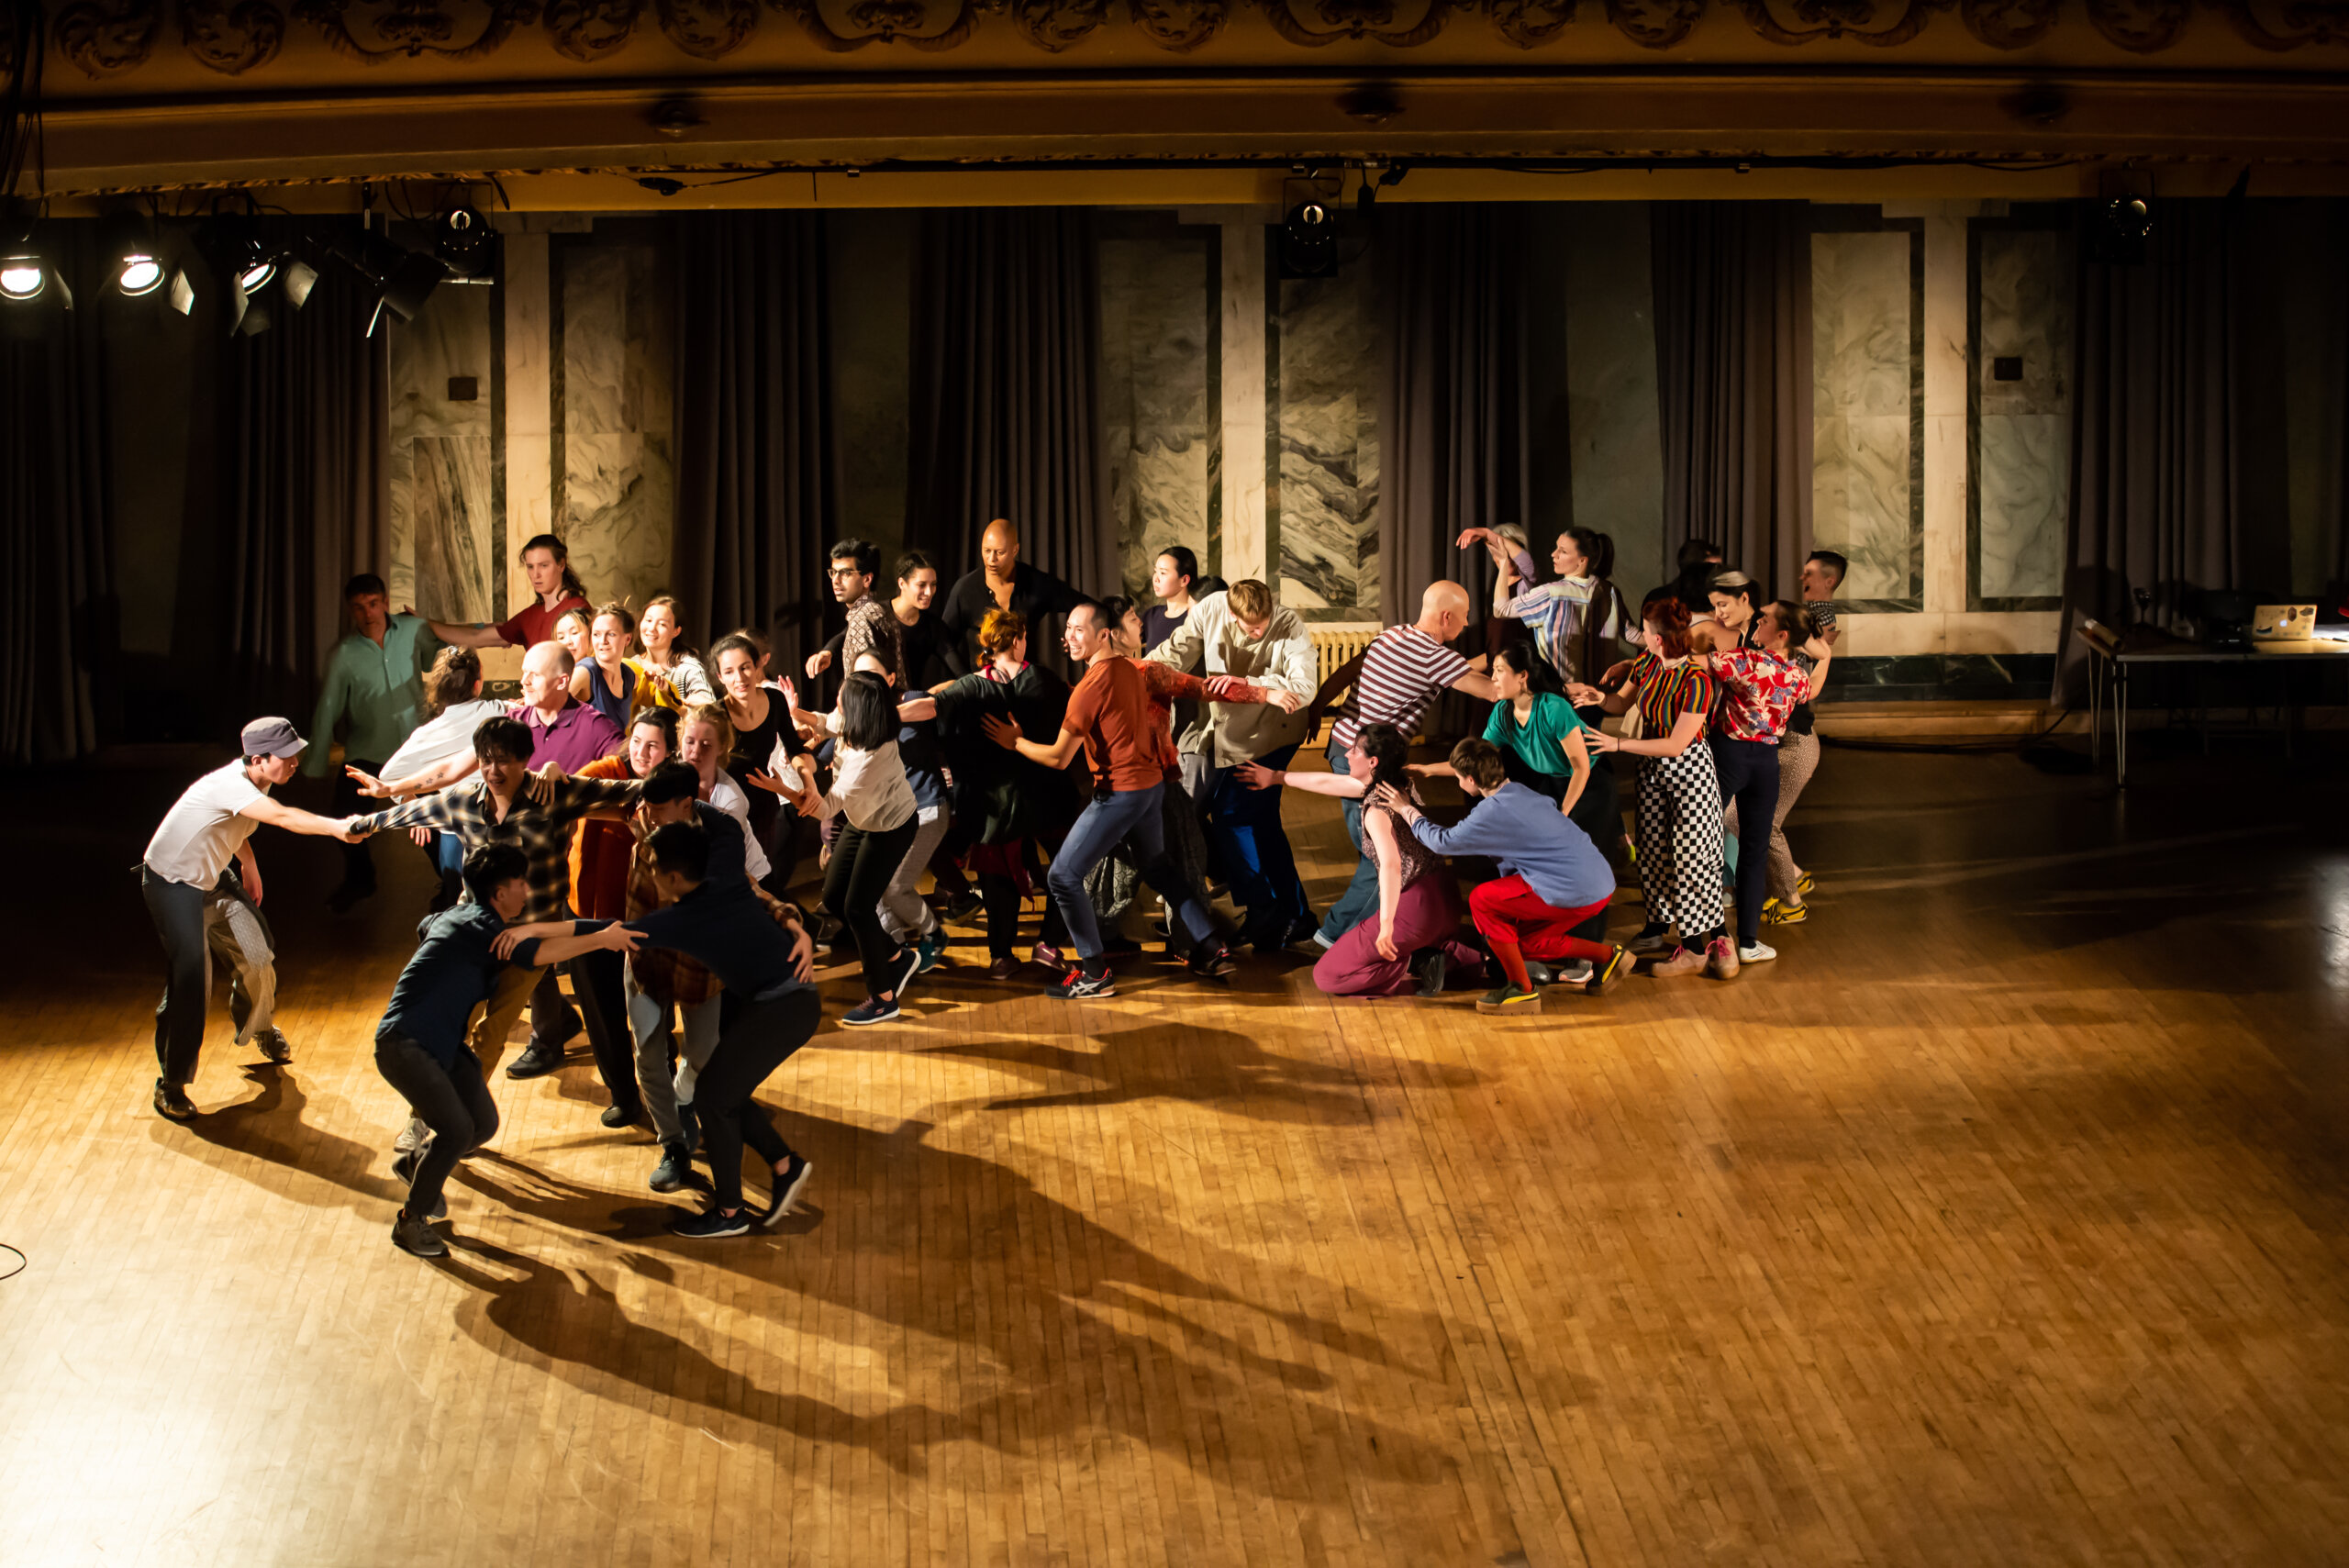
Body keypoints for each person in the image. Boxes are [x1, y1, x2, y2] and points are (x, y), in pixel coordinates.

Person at [501, 821, 821, 1239]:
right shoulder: (722, 869)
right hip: (782, 1001)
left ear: (673, 877)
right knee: (723, 1092)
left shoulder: (683, 918)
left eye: (653, 869)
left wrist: (531, 929)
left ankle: (730, 1214)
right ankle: (784, 1166)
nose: (648, 876)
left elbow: (601, 933)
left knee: (713, 1099)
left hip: (785, 1008)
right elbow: (724, 826)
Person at [344, 715, 646, 1096]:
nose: (493, 770)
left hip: (533, 937)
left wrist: (693, 782)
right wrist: (364, 825)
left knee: (491, 1033)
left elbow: (630, 790)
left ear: (524, 759)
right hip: (477, 932)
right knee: (454, 1023)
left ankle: (462, 1112)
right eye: (486, 760)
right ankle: (430, 1114)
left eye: (503, 760)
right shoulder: (464, 801)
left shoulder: (554, 795)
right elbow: (412, 812)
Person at [982, 600, 1236, 997]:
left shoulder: (1088, 688)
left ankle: (1095, 973)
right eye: (1068, 629)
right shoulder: (1128, 669)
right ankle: (1209, 941)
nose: (1070, 637)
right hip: (1151, 787)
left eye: (1080, 630)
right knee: (1157, 868)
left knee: (1062, 877)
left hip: (1121, 793)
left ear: (1103, 634)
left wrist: (1015, 742)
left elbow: (1058, 756)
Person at [142, 718, 362, 1119]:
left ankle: (259, 1025)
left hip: (213, 881)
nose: (296, 761)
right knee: (192, 976)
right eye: (287, 756)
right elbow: (282, 818)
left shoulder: (258, 782)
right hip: (173, 885)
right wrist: (337, 828)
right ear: (258, 759)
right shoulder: (229, 784)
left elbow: (234, 824)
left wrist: (249, 863)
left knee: (258, 955)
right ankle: (170, 1084)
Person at [617, 762, 788, 1194]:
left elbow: (746, 888)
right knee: (648, 1056)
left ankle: (682, 1098)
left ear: (687, 805)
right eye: (646, 807)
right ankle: (674, 1144)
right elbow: (584, 796)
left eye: (658, 808)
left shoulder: (718, 838)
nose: (648, 815)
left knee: (704, 1052)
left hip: (698, 966)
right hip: (646, 958)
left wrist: (787, 916)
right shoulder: (644, 818)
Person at [373, 844, 552, 1258]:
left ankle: (416, 1163)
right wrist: (604, 937)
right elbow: (542, 951)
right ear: (499, 892)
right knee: (455, 1131)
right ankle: (410, 1222)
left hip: (443, 1045)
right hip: (405, 1043)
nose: (527, 890)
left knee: (482, 1126)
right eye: (521, 883)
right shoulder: (479, 927)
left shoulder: (469, 920)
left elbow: (426, 924)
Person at [1374, 739, 1634, 1014]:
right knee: (1522, 944)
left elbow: (1442, 842)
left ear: (1471, 779)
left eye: (1459, 775)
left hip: (1573, 888)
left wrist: (1406, 809)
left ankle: (1521, 989)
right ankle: (1608, 957)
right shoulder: (1522, 792)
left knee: (1483, 900)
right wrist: (1428, 770)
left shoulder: (1492, 812)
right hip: (1599, 882)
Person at [1313, 581, 1503, 948]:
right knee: (1385, 856)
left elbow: (1351, 670)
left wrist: (1318, 706)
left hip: (1342, 746)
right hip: (1366, 762)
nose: (1465, 626)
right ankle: (1335, 935)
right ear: (1446, 617)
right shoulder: (1435, 657)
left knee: (1377, 849)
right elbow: (1493, 690)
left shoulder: (1394, 636)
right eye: (1463, 619)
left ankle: (1371, 925)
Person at [1143, 579, 1319, 951]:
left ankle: (1265, 912)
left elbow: (1303, 689)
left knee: (1233, 816)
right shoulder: (1210, 609)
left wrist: (1249, 684)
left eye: (1264, 622)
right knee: (1261, 824)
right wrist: (1136, 670)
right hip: (1234, 734)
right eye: (1251, 626)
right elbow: (1178, 649)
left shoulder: (1289, 625)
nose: (1259, 631)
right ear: (1231, 612)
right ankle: (1292, 914)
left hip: (1273, 735)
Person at [917, 608, 1078, 977]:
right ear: (1020, 638)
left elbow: (929, 711)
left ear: (988, 644)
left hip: (993, 801)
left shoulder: (968, 687)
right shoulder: (1043, 681)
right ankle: (1049, 944)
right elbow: (1075, 712)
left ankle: (1001, 957)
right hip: (1044, 791)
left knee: (997, 872)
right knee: (1071, 865)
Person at [1580, 600, 1732, 981]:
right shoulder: (1648, 663)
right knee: (1651, 851)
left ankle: (1696, 947)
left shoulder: (1696, 681)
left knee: (1689, 857)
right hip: (1651, 769)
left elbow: (1676, 745)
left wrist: (1617, 745)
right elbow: (1621, 702)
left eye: (1646, 631)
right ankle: (1659, 926)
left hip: (1689, 772)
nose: (1641, 636)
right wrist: (1598, 698)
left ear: (1660, 638)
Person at [562, 706, 685, 1130]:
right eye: (636, 741)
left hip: (644, 919)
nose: (641, 752)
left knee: (653, 1010)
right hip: (587, 914)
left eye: (653, 746)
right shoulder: (607, 770)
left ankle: (666, 1091)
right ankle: (623, 1095)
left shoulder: (676, 791)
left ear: (669, 751)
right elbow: (575, 786)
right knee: (600, 1009)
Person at [1303, 725, 1486, 1000]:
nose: (1348, 755)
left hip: (1417, 908)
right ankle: (1448, 956)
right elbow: (1331, 784)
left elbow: (1391, 865)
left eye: (1354, 750)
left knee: (1328, 975)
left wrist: (1386, 925)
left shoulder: (1377, 810)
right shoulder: (1401, 786)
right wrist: (1278, 777)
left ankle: (1418, 961)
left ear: (1373, 762)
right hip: (1446, 899)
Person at [795, 670, 925, 1025]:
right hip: (863, 821)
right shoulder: (861, 719)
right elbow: (828, 722)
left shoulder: (869, 758)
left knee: (858, 908)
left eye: (842, 698)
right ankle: (897, 958)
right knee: (834, 900)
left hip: (890, 828)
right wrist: (797, 712)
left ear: (860, 711)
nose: (836, 702)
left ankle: (884, 999)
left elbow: (825, 808)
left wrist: (806, 773)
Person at [306, 573, 430, 913]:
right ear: (351, 611)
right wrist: (316, 761)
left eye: (373, 603)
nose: (368, 613)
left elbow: (436, 656)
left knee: (434, 819)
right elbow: (327, 708)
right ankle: (361, 879)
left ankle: (451, 885)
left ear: (385, 601)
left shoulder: (410, 630)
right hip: (367, 752)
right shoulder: (343, 654)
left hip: (415, 748)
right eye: (359, 607)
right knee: (344, 819)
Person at [1700, 600, 1812, 967]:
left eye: (1763, 620)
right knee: (1754, 851)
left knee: (1700, 836)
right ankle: (1748, 942)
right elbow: (1805, 688)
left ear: (1780, 634)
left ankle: (1702, 933)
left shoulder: (1744, 660)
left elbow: (1690, 665)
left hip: (1729, 756)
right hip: (1766, 763)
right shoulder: (1799, 678)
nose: (1757, 623)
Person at [380, 648, 507, 908]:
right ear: (478, 683)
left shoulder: (427, 733)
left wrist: (412, 804)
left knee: (456, 904)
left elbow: (389, 776)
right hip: (499, 825)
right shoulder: (499, 710)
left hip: (454, 833)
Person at [1737, 601, 1833, 929]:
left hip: (1797, 747)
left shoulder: (1787, 664)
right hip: (1777, 747)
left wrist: (1826, 656)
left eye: (1723, 603)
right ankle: (1792, 875)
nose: (1718, 612)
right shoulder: (1752, 641)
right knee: (1742, 817)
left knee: (1760, 822)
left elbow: (1816, 670)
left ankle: (1792, 903)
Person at [710, 630, 814, 894]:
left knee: (764, 882)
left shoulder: (776, 700)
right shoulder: (716, 714)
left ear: (758, 667)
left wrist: (808, 784)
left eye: (745, 668)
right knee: (736, 882)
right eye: (730, 672)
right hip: (726, 808)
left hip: (764, 804)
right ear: (720, 677)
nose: (740, 678)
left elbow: (796, 749)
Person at [939, 517, 1086, 672]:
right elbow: (943, 642)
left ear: (1015, 550)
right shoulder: (965, 589)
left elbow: (1084, 605)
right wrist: (964, 680)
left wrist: (1073, 636)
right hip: (981, 689)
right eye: (986, 550)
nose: (991, 559)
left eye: (1000, 552)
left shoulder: (1037, 583)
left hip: (1026, 685)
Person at [408, 532, 591, 654]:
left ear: (561, 564)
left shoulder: (577, 608)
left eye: (544, 565)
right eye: (530, 567)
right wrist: (427, 623)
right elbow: (476, 638)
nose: (536, 574)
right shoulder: (530, 616)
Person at [568, 601, 640, 733]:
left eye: (611, 634)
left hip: (613, 753)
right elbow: (547, 710)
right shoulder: (584, 673)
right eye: (596, 634)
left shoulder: (631, 678)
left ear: (628, 639)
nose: (602, 641)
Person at [634, 595, 717, 710]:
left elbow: (710, 708)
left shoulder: (688, 668)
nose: (652, 628)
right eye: (648, 620)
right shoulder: (631, 666)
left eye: (662, 624)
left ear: (676, 631)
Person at [1800, 550, 1846, 650]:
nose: (1802, 578)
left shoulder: (1824, 617)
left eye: (1809, 574)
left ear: (1829, 582)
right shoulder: (1808, 612)